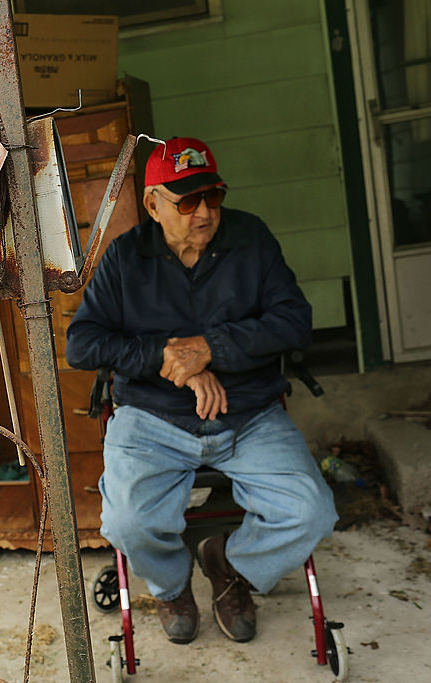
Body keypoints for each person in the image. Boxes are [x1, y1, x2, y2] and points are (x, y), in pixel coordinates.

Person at [65, 137, 337, 645]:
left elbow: (295, 322)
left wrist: (212, 348)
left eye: (213, 196)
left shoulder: (250, 239)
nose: (205, 211)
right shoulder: (125, 259)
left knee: (311, 512)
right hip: (154, 417)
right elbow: (82, 344)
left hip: (248, 414)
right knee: (127, 522)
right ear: (152, 204)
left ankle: (228, 565)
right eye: (186, 201)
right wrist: (171, 358)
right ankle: (171, 587)